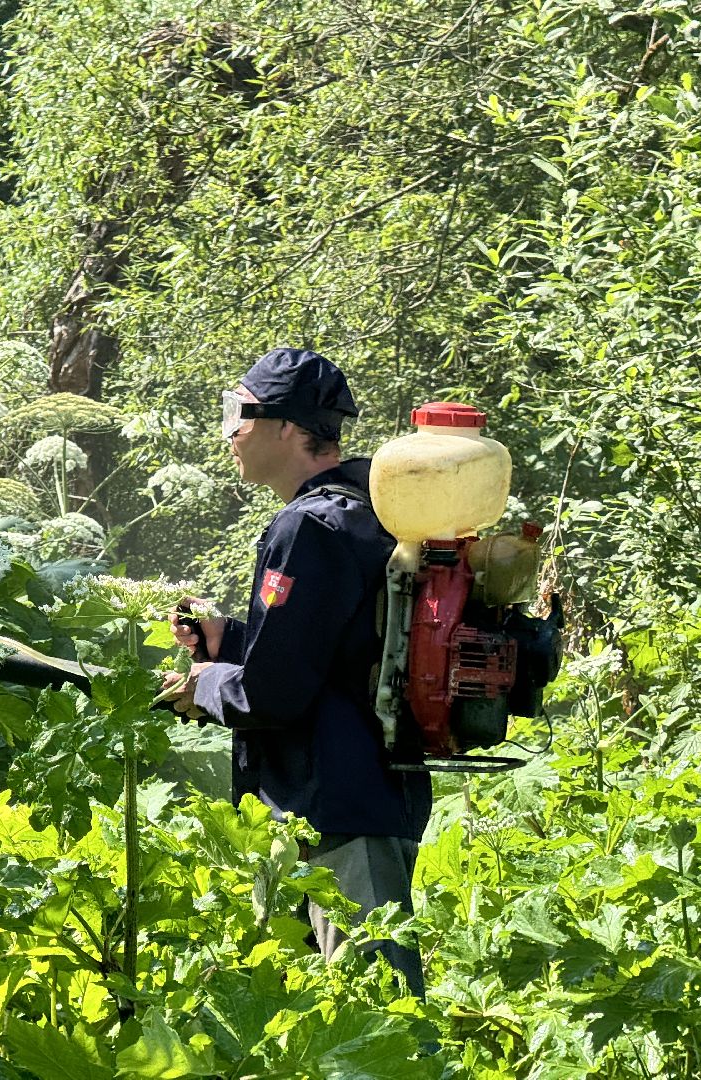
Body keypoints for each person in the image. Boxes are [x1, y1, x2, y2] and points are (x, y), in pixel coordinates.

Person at [162, 346, 430, 995]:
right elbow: (335, 654)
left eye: (241, 414)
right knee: (323, 1020)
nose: (230, 432)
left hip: (335, 819)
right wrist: (231, 641)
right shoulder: (367, 511)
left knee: (380, 1018)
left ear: (286, 427)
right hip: (358, 803)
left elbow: (273, 694)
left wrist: (204, 682)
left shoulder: (308, 528)